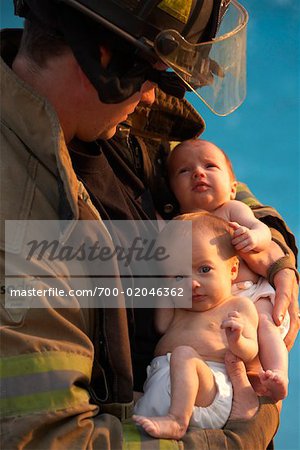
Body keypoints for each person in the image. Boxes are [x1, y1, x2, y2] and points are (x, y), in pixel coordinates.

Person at [0, 0, 298, 449]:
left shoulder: (117, 123)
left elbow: (219, 185)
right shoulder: (19, 214)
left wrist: (276, 257)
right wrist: (240, 436)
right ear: (103, 58)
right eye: (154, 74)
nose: (153, 96)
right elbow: (56, 438)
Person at [167, 139, 290, 401]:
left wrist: (253, 237)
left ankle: (277, 374)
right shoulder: (179, 226)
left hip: (250, 293)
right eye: (184, 171)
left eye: (209, 166)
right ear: (172, 190)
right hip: (213, 302)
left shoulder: (231, 209)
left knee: (265, 324)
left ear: (233, 188)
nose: (198, 173)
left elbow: (261, 229)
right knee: (217, 342)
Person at [133, 212, 260, 439]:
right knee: (124, 397)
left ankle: (177, 421)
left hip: (208, 391)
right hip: (160, 384)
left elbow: (251, 352)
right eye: (179, 276)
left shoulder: (238, 306)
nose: (192, 283)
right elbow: (161, 327)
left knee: (183, 355)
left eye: (204, 270)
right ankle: (164, 416)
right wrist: (167, 288)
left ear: (232, 270)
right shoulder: (179, 307)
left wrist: (238, 339)